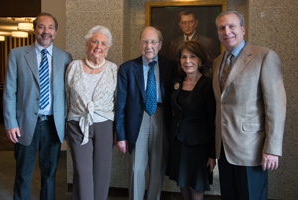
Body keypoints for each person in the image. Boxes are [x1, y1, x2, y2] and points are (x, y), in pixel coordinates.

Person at [212, 10, 286, 200]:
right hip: (225, 148)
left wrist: (272, 148)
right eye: (222, 28)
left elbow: (276, 106)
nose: (227, 31)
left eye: (232, 26)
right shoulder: (217, 62)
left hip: (251, 149)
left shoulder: (264, 56)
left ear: (243, 29)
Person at [3, 12, 72, 199]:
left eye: (50, 27)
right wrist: (10, 122)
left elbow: (68, 95)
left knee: (49, 175)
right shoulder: (17, 55)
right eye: (41, 26)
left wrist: (67, 124)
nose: (45, 31)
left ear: (55, 32)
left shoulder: (66, 58)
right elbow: (10, 91)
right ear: (35, 30)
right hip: (24, 124)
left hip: (53, 124)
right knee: (23, 175)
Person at [115, 26, 177, 200]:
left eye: (153, 41)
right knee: (137, 168)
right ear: (139, 44)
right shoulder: (127, 68)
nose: (149, 46)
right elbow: (120, 104)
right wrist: (120, 135)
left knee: (157, 168)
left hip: (161, 117)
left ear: (160, 44)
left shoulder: (171, 66)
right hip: (137, 119)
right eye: (145, 41)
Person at [65, 25, 117, 200]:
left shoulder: (113, 69)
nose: (98, 46)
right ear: (87, 44)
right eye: (94, 41)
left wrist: (118, 131)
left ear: (107, 49)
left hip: (105, 124)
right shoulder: (73, 67)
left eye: (103, 43)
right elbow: (66, 96)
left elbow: (118, 100)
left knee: (102, 171)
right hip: (77, 123)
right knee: (83, 171)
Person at [167, 40, 216, 200]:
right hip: (178, 143)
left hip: (199, 147)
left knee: (196, 187)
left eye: (192, 57)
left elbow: (212, 120)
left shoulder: (208, 85)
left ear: (200, 60)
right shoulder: (176, 82)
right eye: (184, 57)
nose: (187, 61)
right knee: (183, 185)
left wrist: (212, 154)